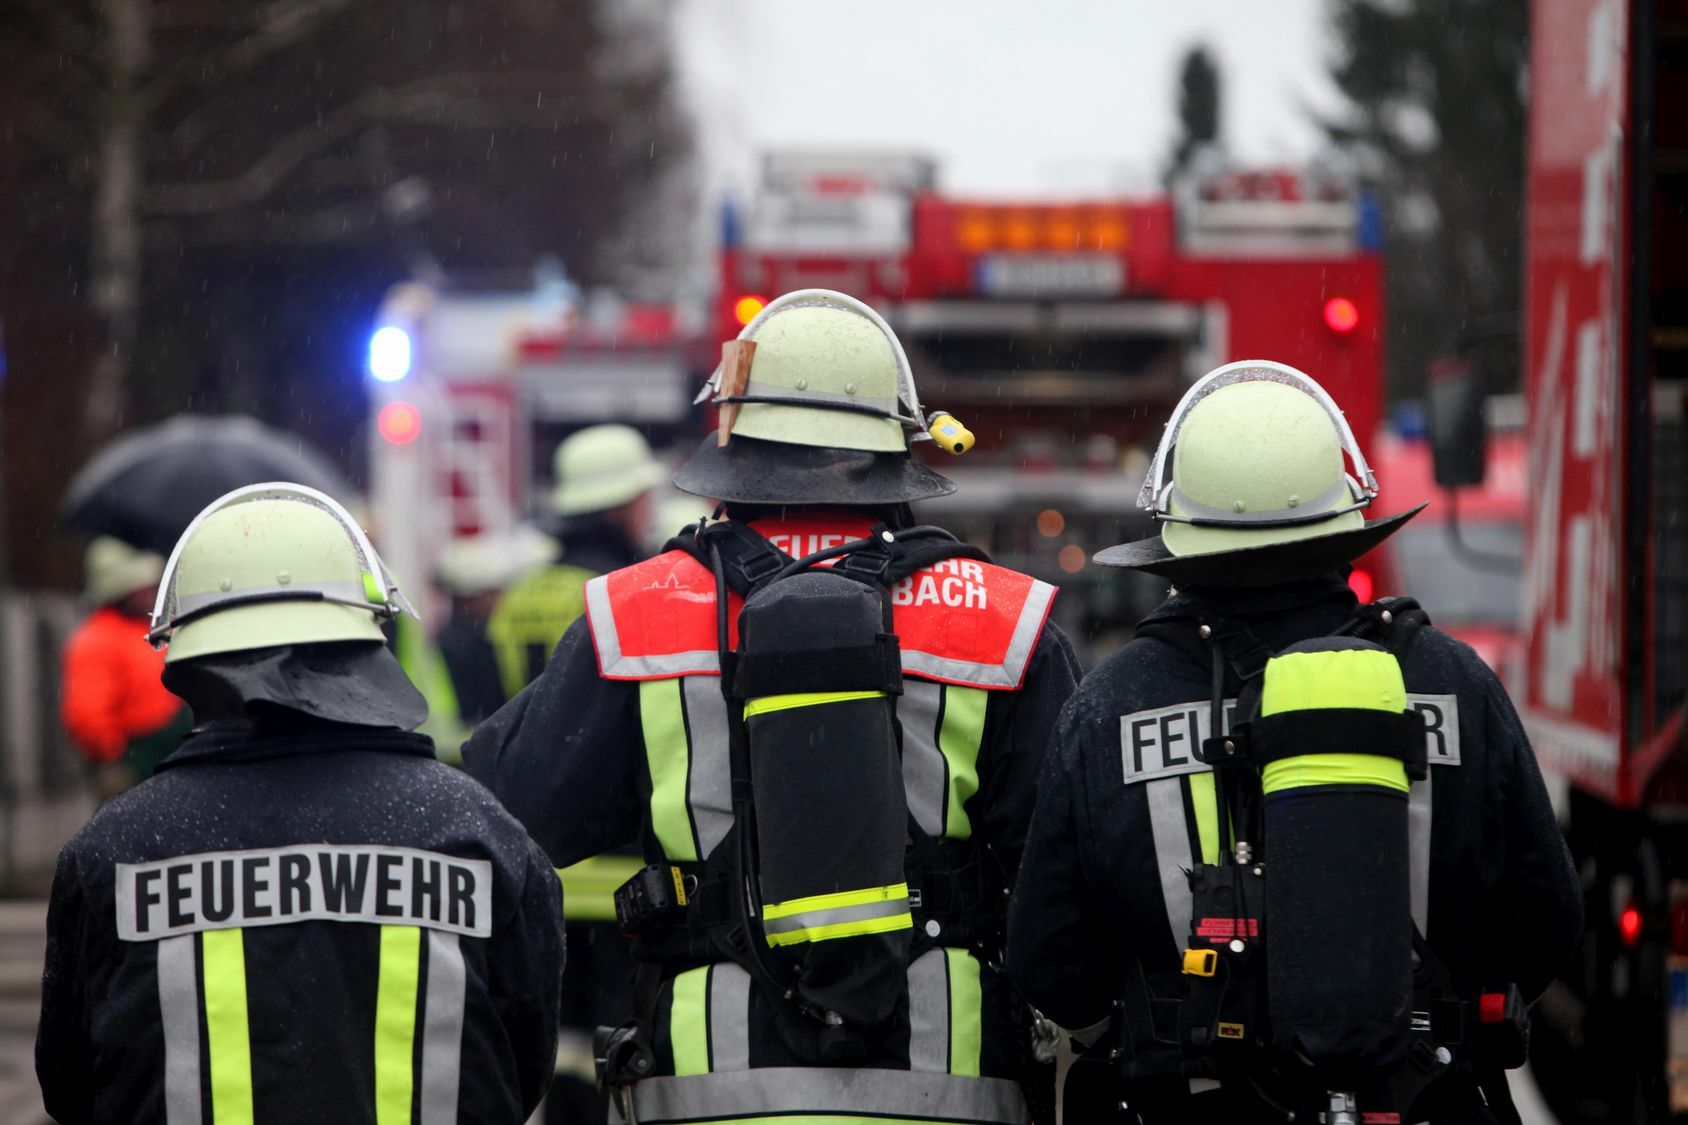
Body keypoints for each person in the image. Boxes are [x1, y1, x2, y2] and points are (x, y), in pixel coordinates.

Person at [465, 289, 1081, 1125]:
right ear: (899, 446)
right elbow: (1069, 892)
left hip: (703, 1098)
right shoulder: (1004, 620)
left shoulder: (636, 612)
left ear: (733, 445)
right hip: (950, 1094)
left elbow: (505, 815)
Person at [1005, 362, 1582, 1124]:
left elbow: (1049, 965)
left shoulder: (1108, 708)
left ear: (1178, 540)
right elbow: (1547, 923)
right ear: (1345, 522)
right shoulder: (1455, 682)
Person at [36, 483, 564, 1124]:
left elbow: (70, 1084)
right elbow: (522, 1062)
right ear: (367, 644)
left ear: (189, 662)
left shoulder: (111, 851)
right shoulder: (481, 833)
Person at [486, 423, 665, 699]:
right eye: (644, 501)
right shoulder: (619, 593)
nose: (649, 515)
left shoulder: (519, 591)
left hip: (524, 727)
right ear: (619, 509)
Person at [59, 536, 191, 796]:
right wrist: (117, 760)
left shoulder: (146, 629)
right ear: (121, 591)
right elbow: (86, 714)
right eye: (142, 587)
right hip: (133, 759)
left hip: (165, 748)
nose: (150, 592)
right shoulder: (97, 639)